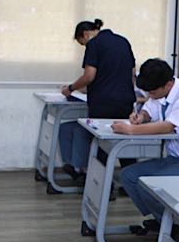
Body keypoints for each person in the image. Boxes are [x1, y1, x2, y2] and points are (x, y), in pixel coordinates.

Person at [116, 59, 179, 234]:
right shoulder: (160, 91)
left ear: (168, 84)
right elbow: (149, 110)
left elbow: (168, 127)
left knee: (150, 186)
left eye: (153, 92)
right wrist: (141, 117)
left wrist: (131, 130)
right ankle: (162, 220)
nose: (150, 95)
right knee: (129, 176)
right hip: (173, 158)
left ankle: (176, 229)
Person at [57, 18, 136, 181]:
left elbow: (89, 76)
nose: (85, 46)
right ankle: (129, 182)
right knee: (124, 139)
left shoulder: (94, 44)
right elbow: (132, 74)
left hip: (103, 102)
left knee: (102, 143)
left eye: (82, 43)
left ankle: (102, 185)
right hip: (125, 100)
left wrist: (70, 88)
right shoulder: (123, 41)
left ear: (86, 34)